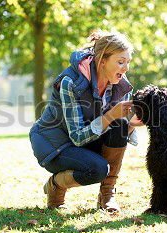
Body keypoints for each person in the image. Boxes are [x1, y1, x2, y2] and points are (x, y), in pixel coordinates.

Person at [29, 30, 143, 212]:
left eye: (127, 62)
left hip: (86, 140)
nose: (126, 68)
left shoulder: (120, 83)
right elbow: (77, 137)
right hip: (56, 146)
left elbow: (116, 132)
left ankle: (107, 196)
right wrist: (111, 115)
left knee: (121, 125)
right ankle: (56, 185)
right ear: (102, 60)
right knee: (97, 169)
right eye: (120, 62)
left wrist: (130, 125)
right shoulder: (70, 82)